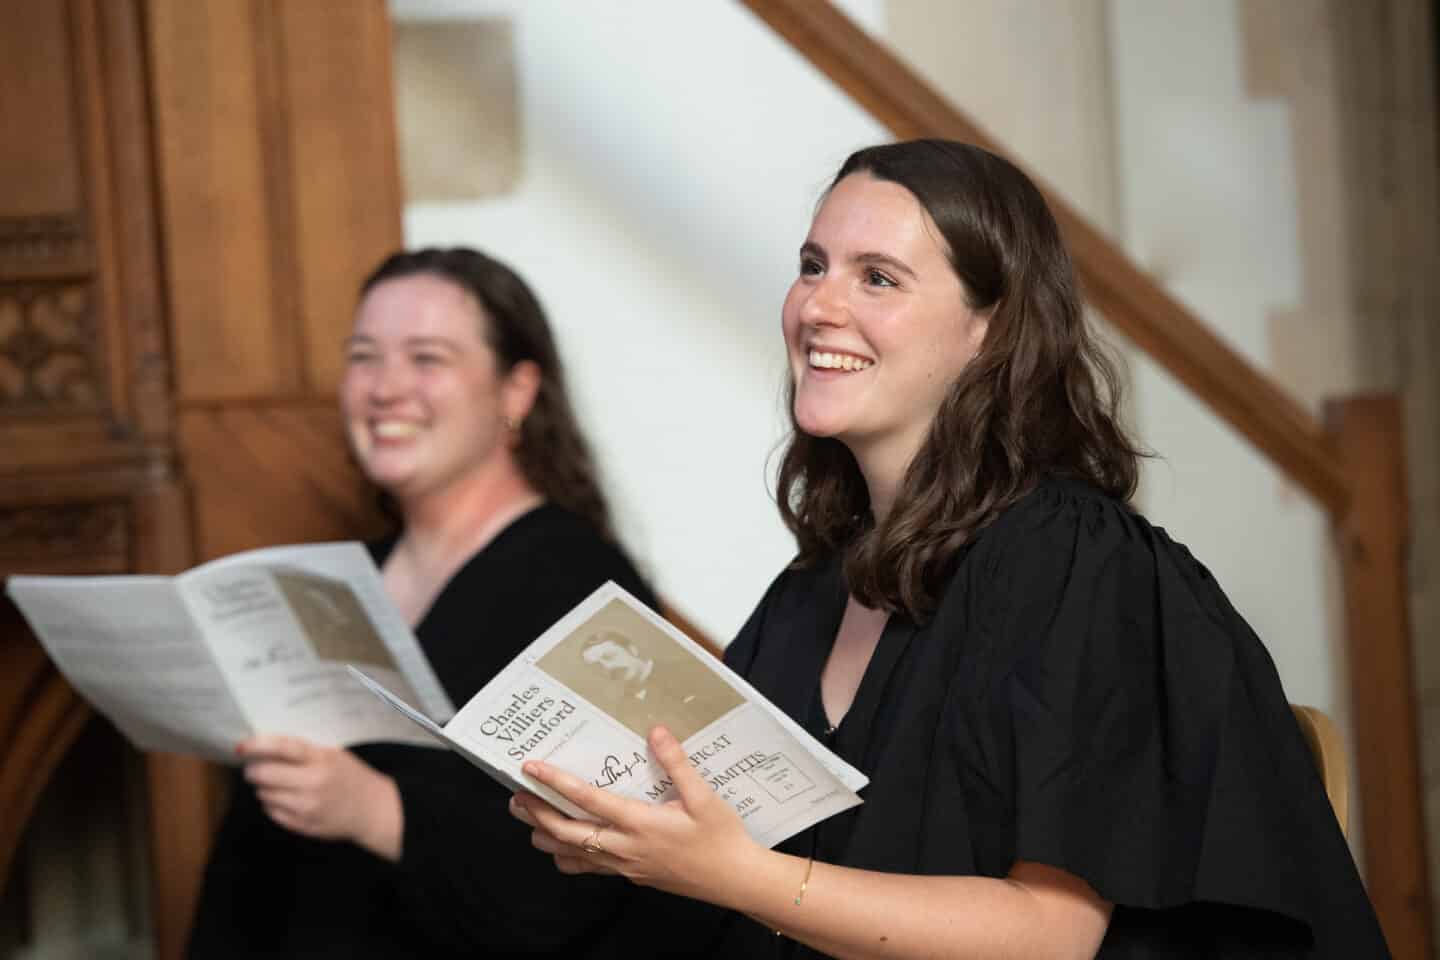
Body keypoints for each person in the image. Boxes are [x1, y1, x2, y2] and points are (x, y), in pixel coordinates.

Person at [511, 140, 1391, 958]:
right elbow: (745, 859)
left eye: (879, 278)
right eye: (812, 266)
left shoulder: (1078, 563)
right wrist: (624, 835)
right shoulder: (812, 590)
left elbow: (1051, 936)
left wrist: (733, 873)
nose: (819, 305)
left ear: (990, 328)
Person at [187, 247, 720, 957]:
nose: (385, 388)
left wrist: (378, 810)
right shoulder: (334, 582)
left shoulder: (579, 583)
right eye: (364, 357)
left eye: (427, 359)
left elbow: (602, 867)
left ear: (516, 393)